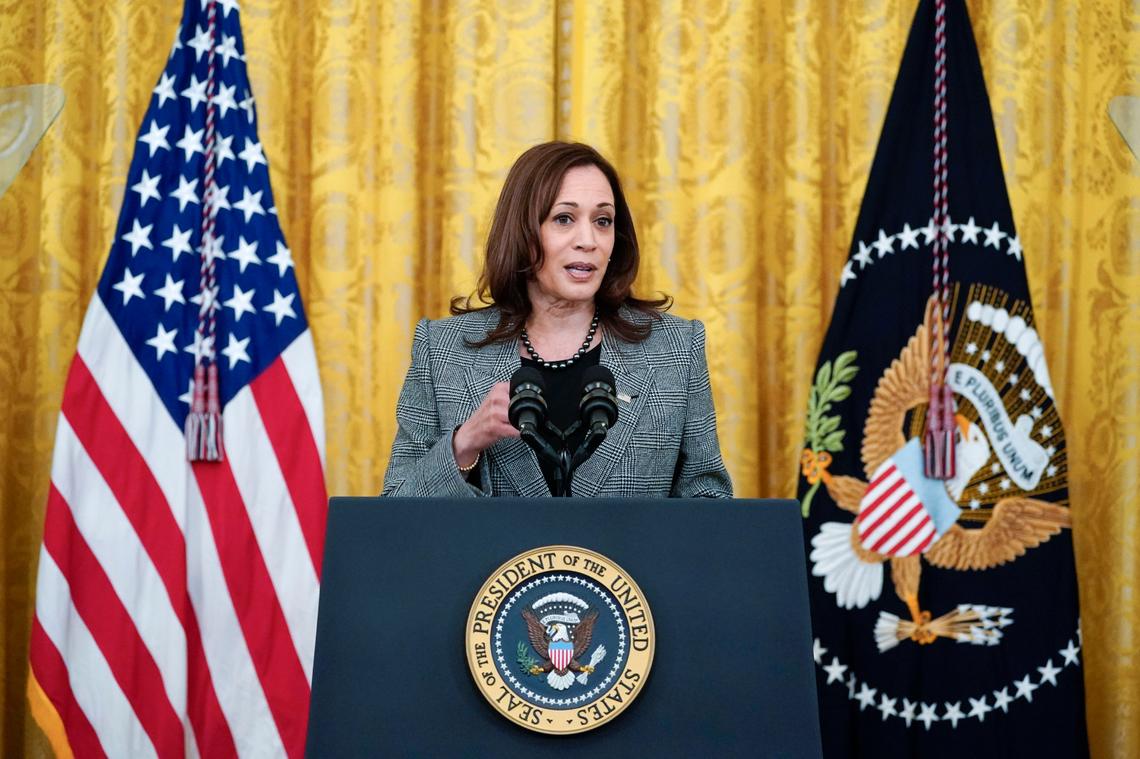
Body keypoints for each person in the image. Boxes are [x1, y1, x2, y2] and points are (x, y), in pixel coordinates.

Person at [381, 141, 732, 498]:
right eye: (564, 219)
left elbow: (709, 503)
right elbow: (394, 516)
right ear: (522, 232)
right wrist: (464, 445)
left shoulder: (675, 348)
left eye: (603, 221)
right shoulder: (442, 350)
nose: (589, 240)